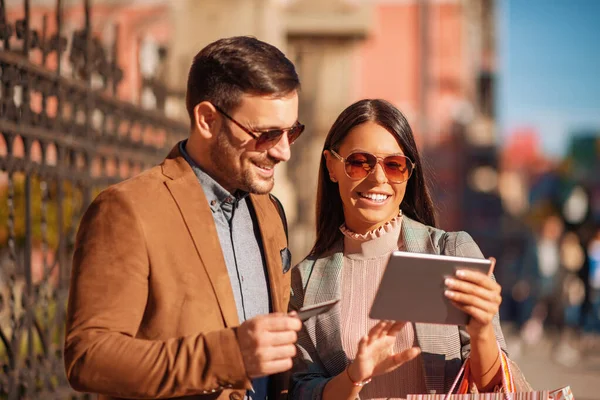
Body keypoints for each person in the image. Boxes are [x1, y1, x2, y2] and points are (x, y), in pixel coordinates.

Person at [64, 36, 305, 400]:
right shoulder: (127, 209)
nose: (283, 151)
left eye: (292, 132)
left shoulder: (269, 211)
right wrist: (227, 355)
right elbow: (89, 356)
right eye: (267, 134)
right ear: (207, 119)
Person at [288, 99, 531, 399]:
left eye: (394, 165)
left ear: (408, 173)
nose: (378, 178)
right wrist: (353, 377)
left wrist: (482, 330)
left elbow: (496, 389)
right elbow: (299, 391)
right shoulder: (304, 281)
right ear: (332, 166)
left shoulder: (451, 252)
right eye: (359, 162)